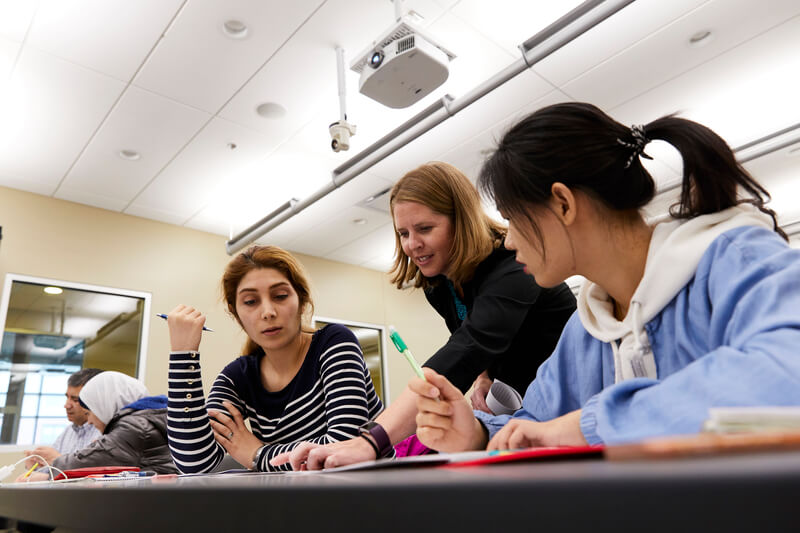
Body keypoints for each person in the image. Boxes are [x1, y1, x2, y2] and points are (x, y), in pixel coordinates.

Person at [407, 102, 800, 453]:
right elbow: (536, 425)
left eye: (512, 219)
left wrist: (592, 424)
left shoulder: (735, 260)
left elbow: (786, 381)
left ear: (563, 203)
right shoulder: (586, 328)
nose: (508, 241)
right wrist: (476, 432)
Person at [272, 162, 576, 470]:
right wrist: (484, 376)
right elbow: (475, 338)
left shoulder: (515, 266)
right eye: (403, 233)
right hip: (516, 415)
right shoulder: (440, 286)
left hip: (568, 408)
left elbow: (467, 349)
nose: (411, 244)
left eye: (425, 229)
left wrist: (371, 441)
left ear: (462, 222)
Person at [166, 245, 384, 473]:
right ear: (236, 313)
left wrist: (258, 454)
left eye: (280, 296)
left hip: (375, 493)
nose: (268, 312)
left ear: (301, 299)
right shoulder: (239, 376)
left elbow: (343, 449)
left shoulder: (334, 342)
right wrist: (183, 355)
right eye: (250, 302)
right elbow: (194, 463)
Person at [17, 371, 177, 481]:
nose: (90, 420)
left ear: (105, 404)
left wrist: (51, 466)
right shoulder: (142, 421)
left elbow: (88, 461)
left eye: (90, 412)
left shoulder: (134, 426)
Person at [23, 367, 103, 469]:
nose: (67, 405)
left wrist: (59, 461)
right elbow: (51, 472)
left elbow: (95, 475)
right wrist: (36, 467)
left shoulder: (105, 433)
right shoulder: (68, 432)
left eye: (75, 400)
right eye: (67, 397)